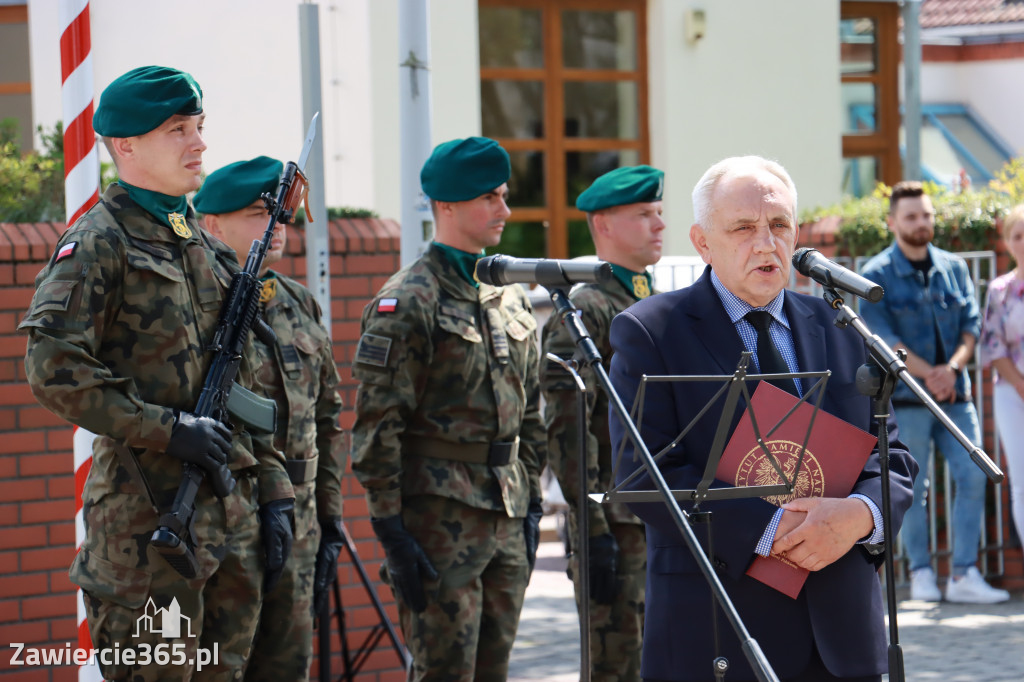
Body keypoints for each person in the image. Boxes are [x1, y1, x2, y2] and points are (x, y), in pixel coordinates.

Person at [19, 66, 294, 680]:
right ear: (126, 146)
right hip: (148, 533)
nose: (198, 143)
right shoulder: (98, 243)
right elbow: (52, 367)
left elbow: (246, 381)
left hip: (227, 522)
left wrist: (273, 488)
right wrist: (167, 427)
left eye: (198, 127)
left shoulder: (201, 242)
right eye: (177, 129)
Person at [608, 155, 917, 682]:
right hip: (720, 627)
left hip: (841, 632)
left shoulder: (839, 325)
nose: (765, 243)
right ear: (702, 241)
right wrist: (779, 528)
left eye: (779, 226)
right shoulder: (651, 331)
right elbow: (643, 475)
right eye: (743, 228)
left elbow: (891, 456)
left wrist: (861, 515)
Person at [350, 136, 547, 681]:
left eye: (504, 196)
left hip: (506, 513)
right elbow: (377, 426)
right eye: (489, 198)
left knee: (493, 672)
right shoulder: (409, 299)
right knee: (444, 673)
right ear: (447, 206)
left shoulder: (509, 295)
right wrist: (390, 528)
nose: (504, 211)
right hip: (438, 521)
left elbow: (530, 411)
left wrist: (530, 499)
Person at [193, 156, 347, 681]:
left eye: (280, 215)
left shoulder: (299, 303)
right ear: (212, 224)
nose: (276, 227)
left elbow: (328, 419)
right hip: (230, 519)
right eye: (260, 214)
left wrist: (330, 518)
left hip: (299, 520)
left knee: (286, 669)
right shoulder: (197, 302)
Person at [541, 165, 665, 681]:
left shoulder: (655, 302)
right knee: (617, 666)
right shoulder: (583, 310)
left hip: (665, 513)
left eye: (659, 212)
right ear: (604, 225)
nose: (659, 224)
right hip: (614, 520)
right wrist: (591, 531)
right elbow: (570, 430)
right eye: (643, 214)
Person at [860, 181, 1010, 604]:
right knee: (913, 487)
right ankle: (922, 573)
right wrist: (928, 374)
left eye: (926, 214)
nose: (921, 223)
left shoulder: (953, 267)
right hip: (907, 399)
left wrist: (953, 369)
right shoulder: (875, 275)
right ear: (892, 222)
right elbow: (882, 337)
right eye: (911, 216)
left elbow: (972, 322)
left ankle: (964, 575)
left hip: (955, 394)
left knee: (973, 475)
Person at [980, 205, 1024, 564]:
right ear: (1008, 243)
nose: (1023, 242)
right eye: (1017, 235)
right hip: (1013, 393)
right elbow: (993, 347)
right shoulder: (1000, 290)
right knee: (1022, 484)